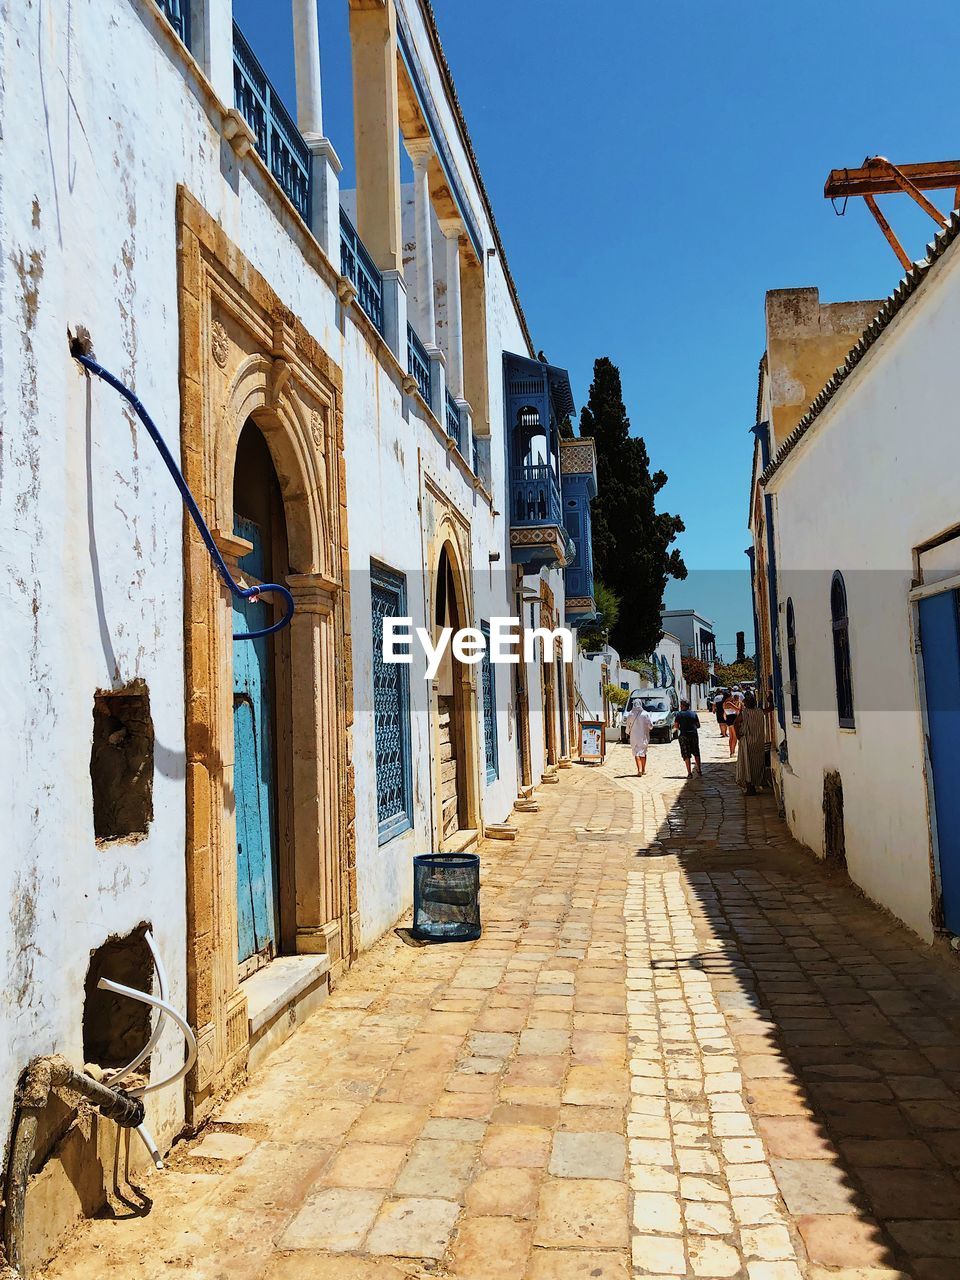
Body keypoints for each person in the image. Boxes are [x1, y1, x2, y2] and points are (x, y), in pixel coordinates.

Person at [735, 687, 768, 793]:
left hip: (747, 742)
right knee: (757, 764)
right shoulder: (759, 711)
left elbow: (735, 723)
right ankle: (755, 784)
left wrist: (737, 735)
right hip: (758, 742)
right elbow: (771, 709)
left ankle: (750, 788)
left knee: (747, 764)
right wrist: (770, 700)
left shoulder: (744, 713)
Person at [625, 699, 654, 776]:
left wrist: (628, 732)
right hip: (643, 736)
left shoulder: (630, 714)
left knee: (636, 753)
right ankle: (643, 769)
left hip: (634, 737)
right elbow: (650, 726)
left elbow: (628, 726)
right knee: (643, 753)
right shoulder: (645, 714)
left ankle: (639, 770)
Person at [674, 699, 702, 777]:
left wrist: (682, 728)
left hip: (683, 735)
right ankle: (699, 770)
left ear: (682, 706)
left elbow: (676, 726)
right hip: (693, 735)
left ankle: (689, 773)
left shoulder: (679, 714)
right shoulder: (694, 714)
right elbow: (698, 725)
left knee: (686, 754)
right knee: (696, 752)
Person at [722, 688, 740, 757]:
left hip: (729, 720)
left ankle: (731, 752)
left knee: (731, 737)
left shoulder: (724, 704)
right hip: (733, 720)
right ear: (728, 697)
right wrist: (738, 703)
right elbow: (737, 709)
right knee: (734, 737)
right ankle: (733, 752)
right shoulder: (729, 703)